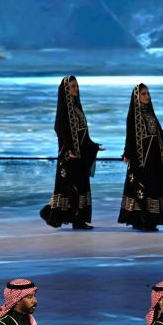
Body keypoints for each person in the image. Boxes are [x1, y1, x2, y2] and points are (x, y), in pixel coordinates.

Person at [40, 75, 102, 230]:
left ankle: (79, 220)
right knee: (68, 188)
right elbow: (59, 129)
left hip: (80, 155)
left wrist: (93, 146)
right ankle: (49, 213)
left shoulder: (77, 107)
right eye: (72, 86)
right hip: (69, 156)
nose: (76, 89)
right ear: (66, 90)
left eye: (76, 85)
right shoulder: (64, 109)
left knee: (81, 186)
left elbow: (83, 132)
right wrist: (68, 149)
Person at [118, 84, 163, 232]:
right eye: (143, 94)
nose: (147, 96)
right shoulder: (133, 115)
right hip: (140, 159)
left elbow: (160, 135)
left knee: (153, 187)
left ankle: (151, 221)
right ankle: (139, 220)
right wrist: (127, 153)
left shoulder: (151, 113)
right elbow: (130, 136)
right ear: (137, 97)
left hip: (154, 158)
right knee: (140, 188)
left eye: (148, 93)